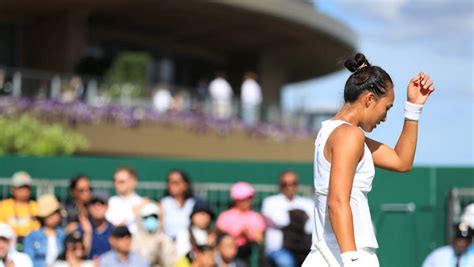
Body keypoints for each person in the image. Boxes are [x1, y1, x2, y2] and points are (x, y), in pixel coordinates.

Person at [302, 53, 435, 267]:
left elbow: (402, 161)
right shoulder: (349, 136)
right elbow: (337, 202)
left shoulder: (337, 133)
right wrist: (352, 260)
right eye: (387, 107)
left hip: (332, 254)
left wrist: (414, 107)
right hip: (344, 255)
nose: (385, 117)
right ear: (370, 99)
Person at [261, 170, 313, 267]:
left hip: (304, 248)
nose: (290, 187)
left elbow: (310, 227)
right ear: (280, 185)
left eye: (293, 183)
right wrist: (299, 217)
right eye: (285, 184)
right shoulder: (270, 202)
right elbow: (282, 222)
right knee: (286, 262)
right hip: (278, 249)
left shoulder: (307, 203)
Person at [216, 182, 266, 264]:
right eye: (243, 199)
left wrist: (248, 235)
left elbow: (259, 239)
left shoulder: (256, 217)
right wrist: (237, 235)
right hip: (227, 256)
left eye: (249, 198)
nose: (247, 201)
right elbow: (220, 235)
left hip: (247, 254)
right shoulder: (225, 216)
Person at [24, 194, 66, 267]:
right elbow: (28, 260)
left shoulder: (63, 235)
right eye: (51, 214)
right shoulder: (32, 236)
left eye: (56, 213)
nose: (55, 216)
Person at [0, 171, 39, 249]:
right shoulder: (4, 206)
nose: (24, 191)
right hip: (9, 245)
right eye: (20, 187)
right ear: (13, 189)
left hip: (32, 245)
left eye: (26, 188)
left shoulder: (36, 207)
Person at [132, 203, 177, 267]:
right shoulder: (135, 239)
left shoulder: (164, 239)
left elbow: (172, 263)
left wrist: (161, 252)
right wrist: (154, 251)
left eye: (154, 217)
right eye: (147, 217)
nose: (150, 219)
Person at [105, 167, 144, 233]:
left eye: (121, 182)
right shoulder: (109, 202)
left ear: (133, 182)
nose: (116, 184)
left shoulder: (142, 203)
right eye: (115, 181)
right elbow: (113, 227)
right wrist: (133, 214)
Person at [161, 170, 196, 240]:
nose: (172, 185)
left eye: (176, 182)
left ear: (185, 185)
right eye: (170, 182)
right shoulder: (163, 203)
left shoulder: (193, 203)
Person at [76, 192, 113, 259]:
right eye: (93, 203)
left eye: (101, 203)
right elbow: (80, 256)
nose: (97, 207)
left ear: (107, 207)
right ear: (89, 207)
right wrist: (87, 233)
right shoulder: (81, 229)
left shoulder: (114, 230)